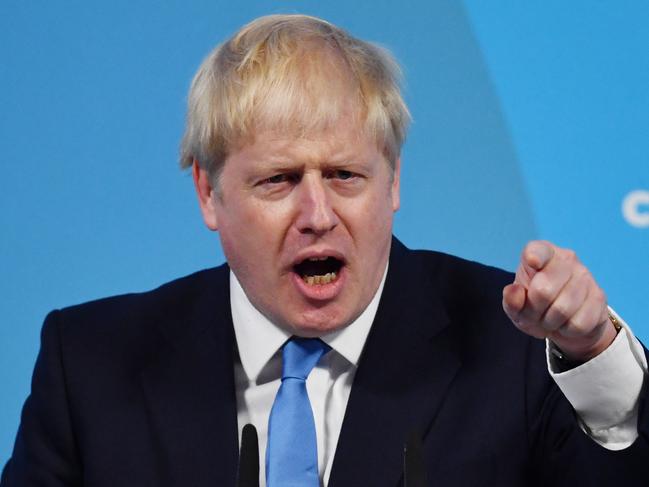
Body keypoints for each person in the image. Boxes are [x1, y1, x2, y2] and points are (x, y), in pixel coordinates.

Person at [2, 14, 648, 487]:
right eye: (278, 180)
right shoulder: (89, 362)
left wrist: (590, 353)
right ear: (207, 191)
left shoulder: (514, 345)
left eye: (344, 175)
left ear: (392, 180)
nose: (317, 215)